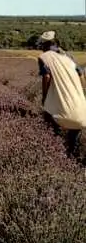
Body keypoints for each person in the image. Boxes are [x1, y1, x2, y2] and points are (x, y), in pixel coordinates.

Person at [37, 31, 86, 160]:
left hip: (61, 110)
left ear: (43, 45)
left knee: (49, 124)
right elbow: (81, 75)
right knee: (73, 138)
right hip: (81, 108)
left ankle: (53, 156)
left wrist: (45, 97)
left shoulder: (44, 57)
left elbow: (47, 76)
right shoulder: (69, 57)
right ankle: (72, 158)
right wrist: (81, 92)